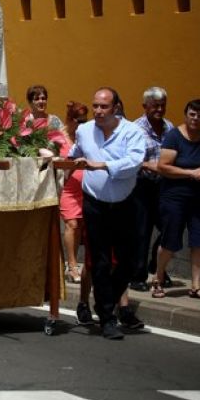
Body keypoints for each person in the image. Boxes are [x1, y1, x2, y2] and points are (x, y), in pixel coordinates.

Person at [69, 87, 146, 340]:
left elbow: (134, 162)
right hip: (95, 203)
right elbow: (75, 153)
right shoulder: (84, 131)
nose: (98, 111)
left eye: (104, 106)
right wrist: (58, 156)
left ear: (116, 108)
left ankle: (108, 300)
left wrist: (102, 164)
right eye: (95, 106)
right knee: (100, 261)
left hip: (125, 203)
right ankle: (107, 318)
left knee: (130, 261)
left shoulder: (132, 132)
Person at [152, 99, 200, 300]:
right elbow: (163, 166)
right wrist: (190, 173)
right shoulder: (174, 136)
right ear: (186, 114)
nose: (196, 119)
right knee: (170, 240)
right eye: (192, 114)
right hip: (174, 197)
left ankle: (196, 285)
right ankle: (158, 278)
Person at [131, 87, 174, 292]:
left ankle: (156, 266)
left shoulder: (169, 127)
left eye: (162, 105)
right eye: (155, 105)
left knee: (170, 227)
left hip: (164, 186)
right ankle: (137, 276)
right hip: (142, 185)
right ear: (145, 106)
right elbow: (132, 159)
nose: (159, 109)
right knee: (142, 231)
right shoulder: (135, 129)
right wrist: (152, 165)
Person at [59, 102, 89, 285]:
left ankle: (73, 260)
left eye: (86, 121)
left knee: (78, 226)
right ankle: (71, 266)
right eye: (80, 121)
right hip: (67, 188)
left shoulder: (84, 137)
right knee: (72, 224)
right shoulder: (59, 137)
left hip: (84, 188)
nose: (83, 124)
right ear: (70, 119)